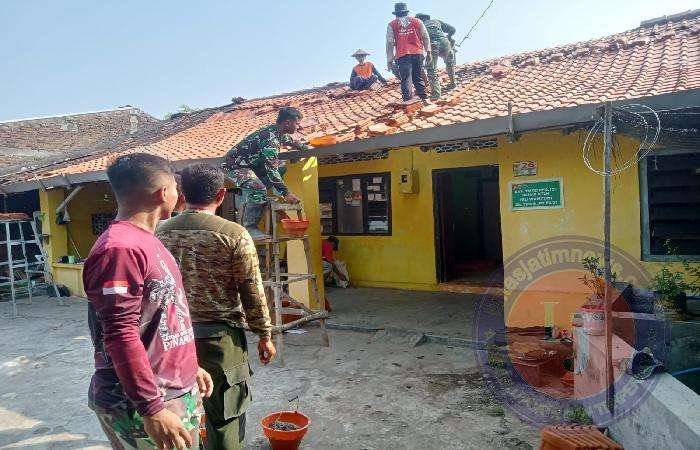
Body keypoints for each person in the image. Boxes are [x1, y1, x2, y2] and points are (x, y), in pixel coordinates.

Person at [83, 153, 213, 450]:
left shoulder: (147, 240)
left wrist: (188, 367)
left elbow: (163, 315)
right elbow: (120, 334)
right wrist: (151, 408)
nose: (180, 194)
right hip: (140, 404)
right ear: (163, 193)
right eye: (176, 187)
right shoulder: (119, 250)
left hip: (171, 391)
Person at [157, 163, 275, 449]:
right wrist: (264, 334)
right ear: (221, 195)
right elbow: (251, 290)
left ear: (182, 193)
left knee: (179, 414)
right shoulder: (234, 234)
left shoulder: (159, 234)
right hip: (220, 340)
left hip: (170, 339)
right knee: (224, 416)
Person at [222, 107, 311, 240]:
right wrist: (286, 193)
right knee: (258, 188)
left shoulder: (278, 132)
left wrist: (306, 149)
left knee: (281, 166)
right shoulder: (271, 141)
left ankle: (264, 194)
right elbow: (271, 169)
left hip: (251, 165)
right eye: (297, 124)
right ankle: (250, 227)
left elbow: (291, 142)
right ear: (287, 123)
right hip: (234, 166)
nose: (299, 127)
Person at [386, 2, 432, 102]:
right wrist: (428, 52)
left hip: (403, 55)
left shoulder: (392, 25)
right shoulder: (417, 21)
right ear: (406, 12)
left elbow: (390, 42)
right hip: (418, 53)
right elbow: (425, 36)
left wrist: (389, 60)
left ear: (396, 14)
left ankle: (407, 101)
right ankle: (424, 97)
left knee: (406, 78)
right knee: (417, 77)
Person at [416, 13, 457, 99]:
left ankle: (436, 94)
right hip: (445, 43)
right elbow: (452, 29)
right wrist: (449, 36)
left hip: (432, 46)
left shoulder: (419, 26)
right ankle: (453, 83)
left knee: (432, 69)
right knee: (449, 63)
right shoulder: (436, 22)